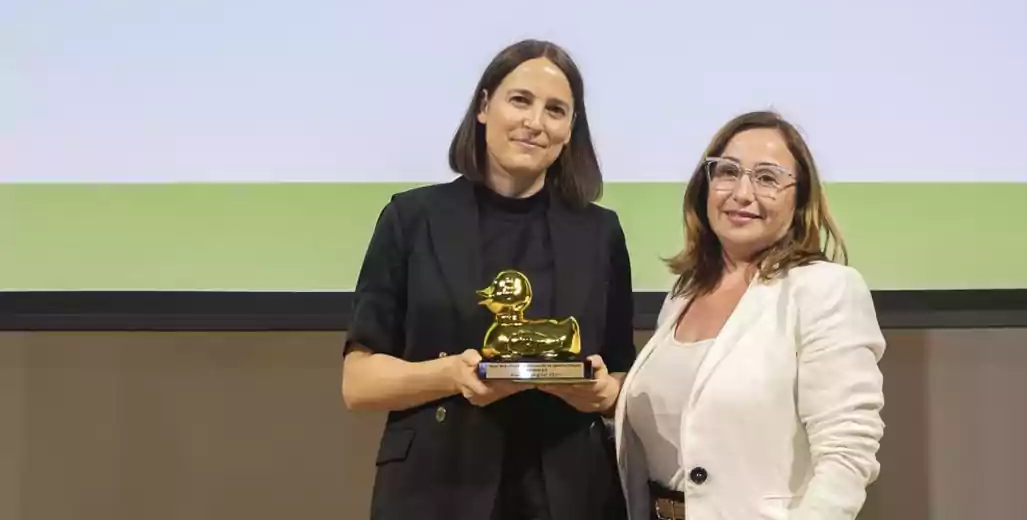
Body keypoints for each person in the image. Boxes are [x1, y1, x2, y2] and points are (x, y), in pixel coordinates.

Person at [341, 39, 636, 520]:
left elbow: (622, 373)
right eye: (520, 100)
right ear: (483, 106)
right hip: (434, 489)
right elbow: (358, 383)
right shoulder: (411, 219)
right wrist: (452, 374)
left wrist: (604, 393)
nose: (534, 122)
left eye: (555, 110)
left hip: (570, 492)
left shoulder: (600, 232)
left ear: (570, 129)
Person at [613, 110, 886, 520]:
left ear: (800, 200)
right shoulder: (683, 293)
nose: (742, 193)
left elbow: (847, 456)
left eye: (768, 178)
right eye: (728, 172)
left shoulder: (825, 289)